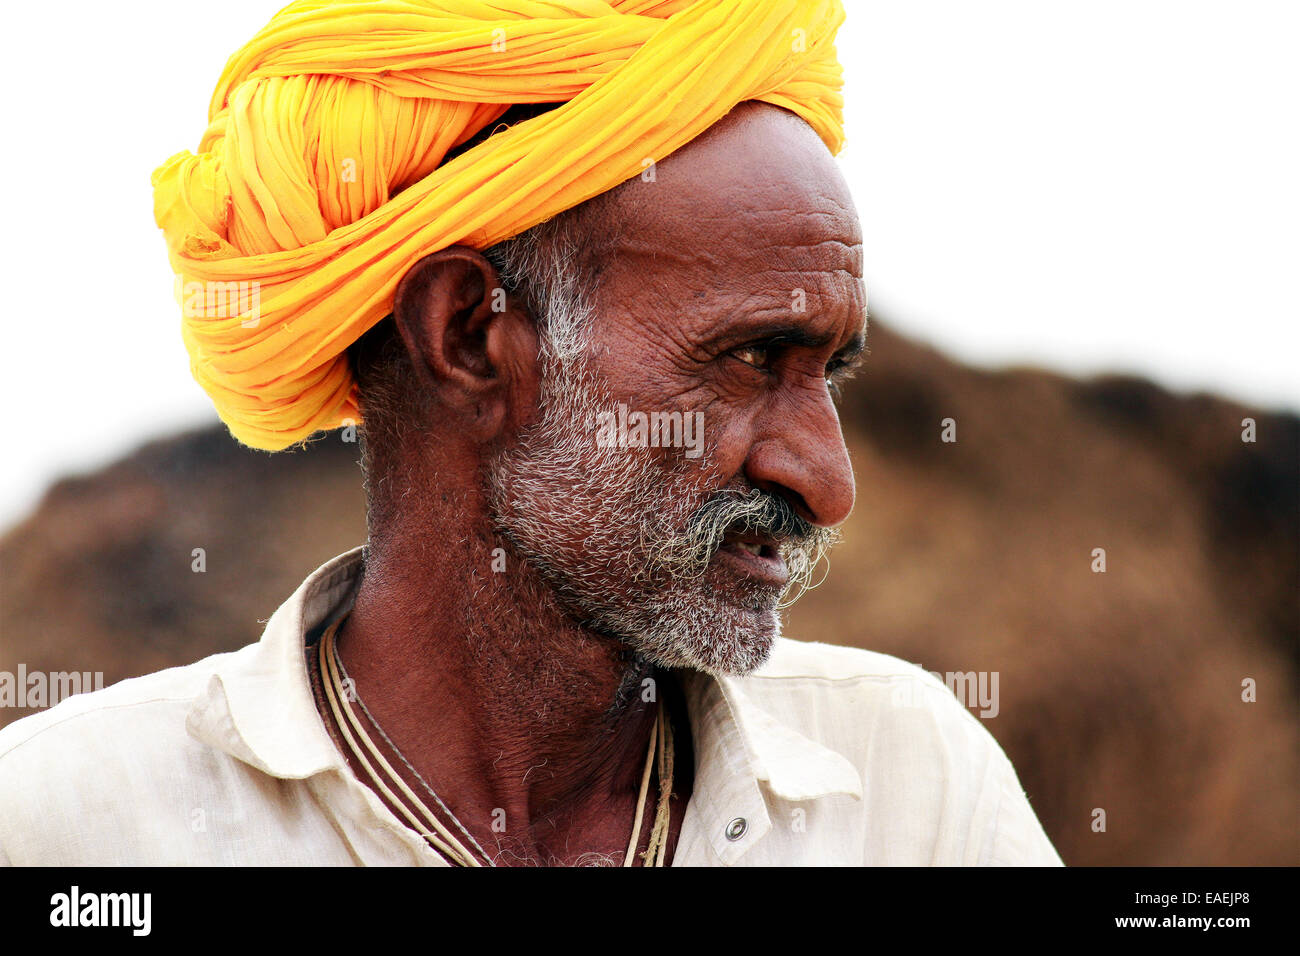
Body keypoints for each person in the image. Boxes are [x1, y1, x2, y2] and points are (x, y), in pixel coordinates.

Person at [0, 0, 1061, 866]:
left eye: (825, 373)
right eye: (745, 359)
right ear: (469, 336)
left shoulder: (913, 790)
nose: (826, 481)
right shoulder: (66, 824)